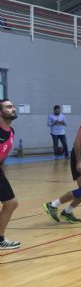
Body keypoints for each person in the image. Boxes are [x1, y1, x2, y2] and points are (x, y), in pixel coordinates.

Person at [0, 100, 20, 249]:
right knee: (11, 203)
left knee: (11, 203)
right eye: (8, 107)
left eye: (13, 106)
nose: (13, 109)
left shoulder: (11, 131)